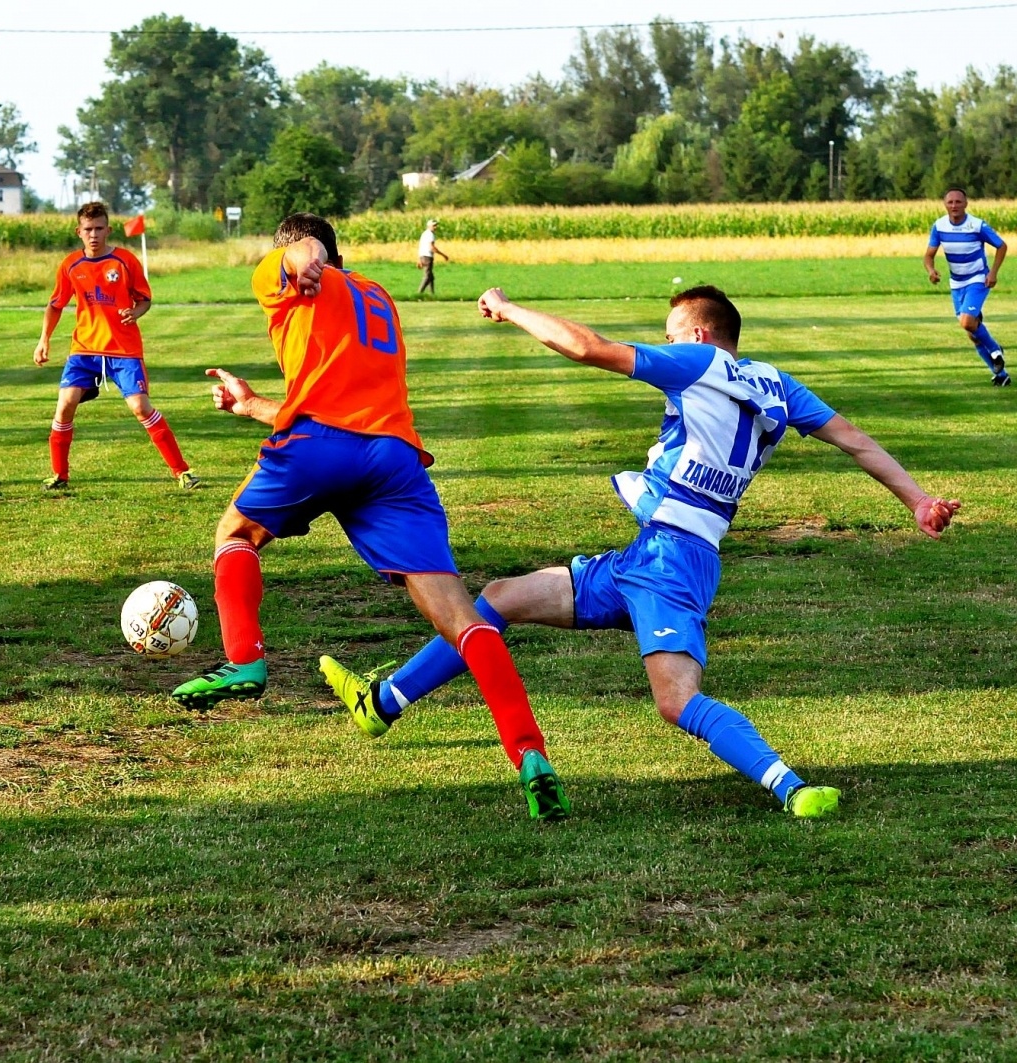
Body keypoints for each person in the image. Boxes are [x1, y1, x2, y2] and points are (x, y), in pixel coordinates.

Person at [320, 284, 961, 819]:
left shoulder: (700, 364)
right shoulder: (778, 385)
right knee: (499, 599)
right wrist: (916, 501)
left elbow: (586, 347)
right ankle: (384, 704)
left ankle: (791, 789)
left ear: (701, 337)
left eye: (672, 333)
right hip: (653, 554)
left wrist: (508, 308)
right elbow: (854, 441)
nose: (667, 344)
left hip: (671, 561)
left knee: (676, 700)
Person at [174, 211, 570, 821]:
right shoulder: (379, 296)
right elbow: (338, 399)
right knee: (461, 616)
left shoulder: (294, 271)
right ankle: (529, 753)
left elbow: (298, 254)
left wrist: (302, 259)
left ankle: (244, 660)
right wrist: (254, 405)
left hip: (318, 448)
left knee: (236, 534)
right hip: (393, 459)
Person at [33, 201, 198, 491]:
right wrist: (43, 340)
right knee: (64, 407)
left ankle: (182, 471)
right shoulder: (71, 264)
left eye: (99, 228)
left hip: (123, 350)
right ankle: (60, 474)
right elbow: (55, 304)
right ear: (79, 232)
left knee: (140, 407)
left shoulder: (124, 261)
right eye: (88, 229)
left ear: (108, 230)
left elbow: (144, 298)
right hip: (84, 350)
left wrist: (136, 312)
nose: (94, 234)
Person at [924, 187, 1010, 386]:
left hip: (977, 279)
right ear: (945, 204)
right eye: (950, 202)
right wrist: (931, 271)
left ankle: (996, 350)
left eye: (958, 202)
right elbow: (928, 255)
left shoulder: (976, 225)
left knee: (967, 322)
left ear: (966, 204)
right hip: (957, 283)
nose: (954, 205)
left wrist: (993, 272)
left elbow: (1001, 245)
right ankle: (1001, 375)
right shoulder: (939, 226)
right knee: (973, 334)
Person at [416, 219, 449, 297]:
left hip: (423, 256)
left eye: (436, 225)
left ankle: (432, 294)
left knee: (431, 277)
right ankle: (419, 293)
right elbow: (432, 248)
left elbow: (420, 247)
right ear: (429, 226)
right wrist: (443, 255)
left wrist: (419, 259)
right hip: (427, 257)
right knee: (427, 276)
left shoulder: (424, 234)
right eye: (434, 225)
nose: (435, 227)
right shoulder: (430, 234)